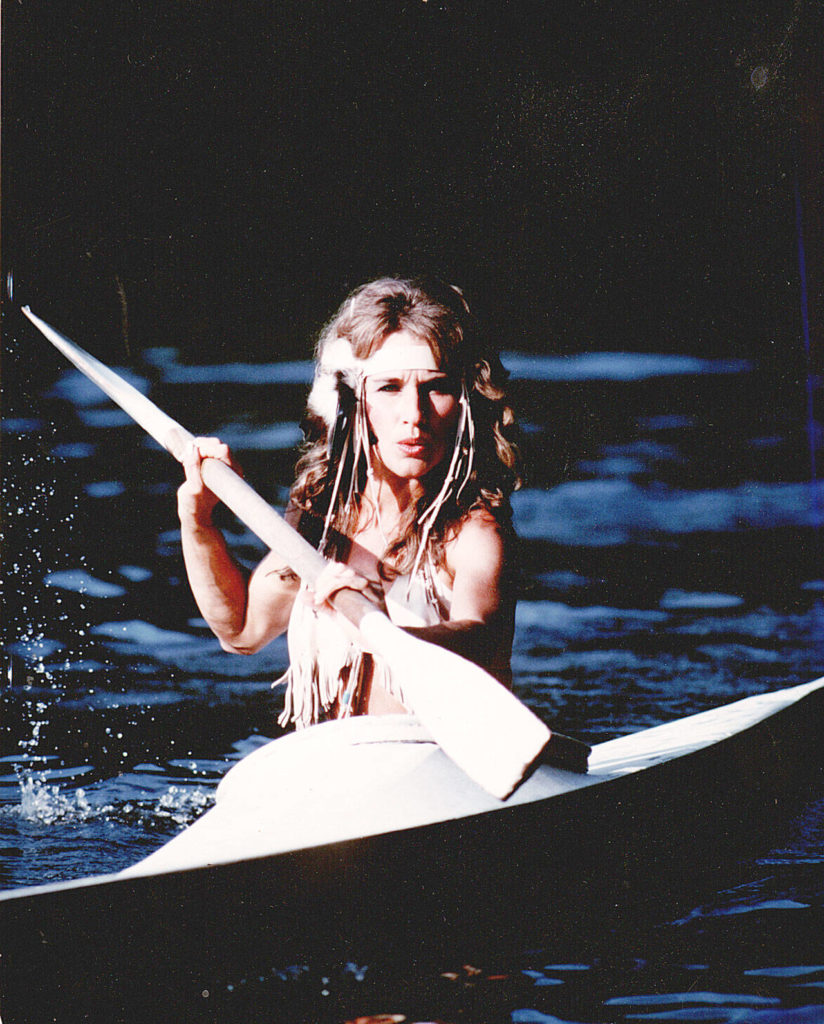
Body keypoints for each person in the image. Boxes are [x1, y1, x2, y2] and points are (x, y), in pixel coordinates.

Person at [177, 276, 523, 729]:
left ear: (465, 402)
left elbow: (480, 636)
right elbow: (241, 631)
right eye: (388, 387)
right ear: (350, 403)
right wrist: (199, 520)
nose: (414, 416)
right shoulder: (322, 515)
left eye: (436, 387)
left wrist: (383, 631)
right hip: (340, 767)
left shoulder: (474, 532)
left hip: (443, 766)